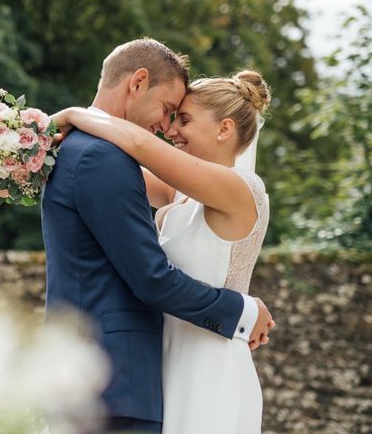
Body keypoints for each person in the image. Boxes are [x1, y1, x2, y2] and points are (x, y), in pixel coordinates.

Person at [40, 37, 274, 434]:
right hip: (165, 361)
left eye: (182, 119)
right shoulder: (178, 194)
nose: (169, 130)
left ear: (224, 129)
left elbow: (134, 144)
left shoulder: (240, 189)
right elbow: (115, 167)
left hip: (207, 364)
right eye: (170, 115)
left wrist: (75, 115)